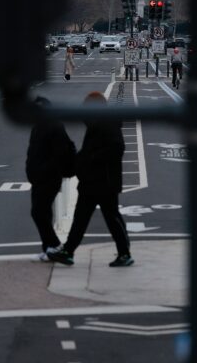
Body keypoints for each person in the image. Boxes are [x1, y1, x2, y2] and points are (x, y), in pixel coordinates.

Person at [48, 92, 133, 267]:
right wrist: (82, 160)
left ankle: (124, 253)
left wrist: (90, 158)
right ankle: (68, 251)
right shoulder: (98, 123)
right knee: (82, 218)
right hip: (91, 181)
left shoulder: (106, 124)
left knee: (111, 218)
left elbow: (117, 148)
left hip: (105, 181)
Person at [25, 97, 76, 260]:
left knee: (38, 212)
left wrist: (44, 170)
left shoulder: (54, 126)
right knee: (43, 213)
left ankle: (54, 245)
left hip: (48, 178)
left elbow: (59, 154)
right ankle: (48, 248)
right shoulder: (39, 126)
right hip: (38, 177)